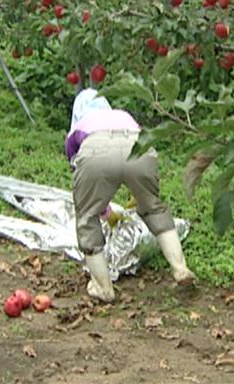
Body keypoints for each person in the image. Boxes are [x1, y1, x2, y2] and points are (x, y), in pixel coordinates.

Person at [66, 88, 195, 302]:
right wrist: (138, 194)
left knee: (86, 218)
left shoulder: (78, 129)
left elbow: (85, 182)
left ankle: (103, 288)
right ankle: (180, 269)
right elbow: (125, 153)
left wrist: (103, 211)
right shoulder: (122, 115)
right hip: (139, 147)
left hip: (96, 154)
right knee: (154, 208)